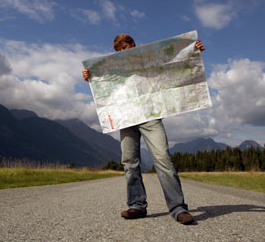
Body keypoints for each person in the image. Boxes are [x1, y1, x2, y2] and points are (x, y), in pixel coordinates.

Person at [83, 34, 205, 225]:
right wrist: (91, 77)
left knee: (163, 158)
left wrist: (191, 50)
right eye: (120, 48)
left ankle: (178, 208)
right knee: (129, 162)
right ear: (116, 51)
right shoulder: (113, 67)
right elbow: (104, 84)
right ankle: (137, 206)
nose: (124, 50)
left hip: (150, 116)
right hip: (126, 118)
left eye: (127, 45)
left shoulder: (147, 59)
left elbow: (170, 64)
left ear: (133, 45)